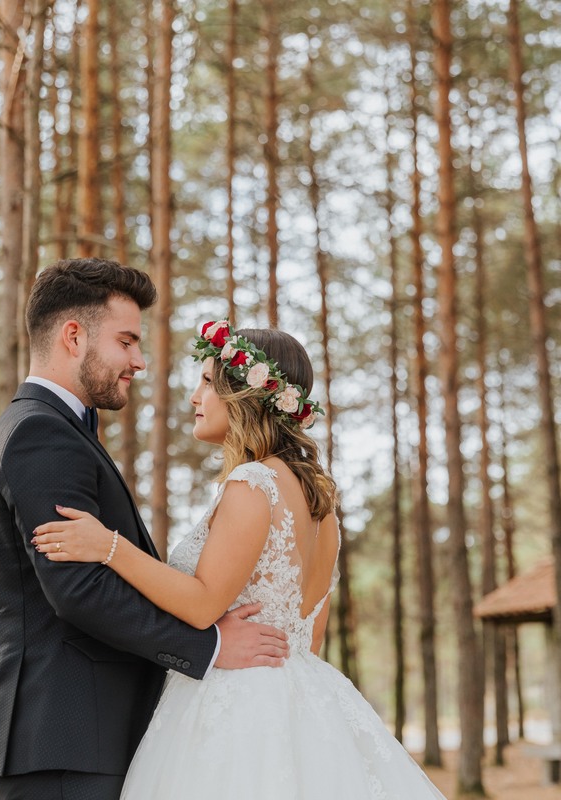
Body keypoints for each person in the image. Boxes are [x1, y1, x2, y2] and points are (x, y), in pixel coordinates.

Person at [33, 321, 447, 799]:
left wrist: (108, 546)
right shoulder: (321, 503)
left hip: (235, 706)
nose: (194, 396)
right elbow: (310, 633)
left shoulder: (253, 483)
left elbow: (204, 604)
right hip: (307, 701)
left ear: (245, 395)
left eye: (207, 382)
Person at [0, 261, 291, 800]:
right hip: (64, 737)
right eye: (126, 341)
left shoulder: (57, 429)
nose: (139, 361)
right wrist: (208, 646)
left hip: (79, 736)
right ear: (74, 336)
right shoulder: (40, 436)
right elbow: (77, 591)